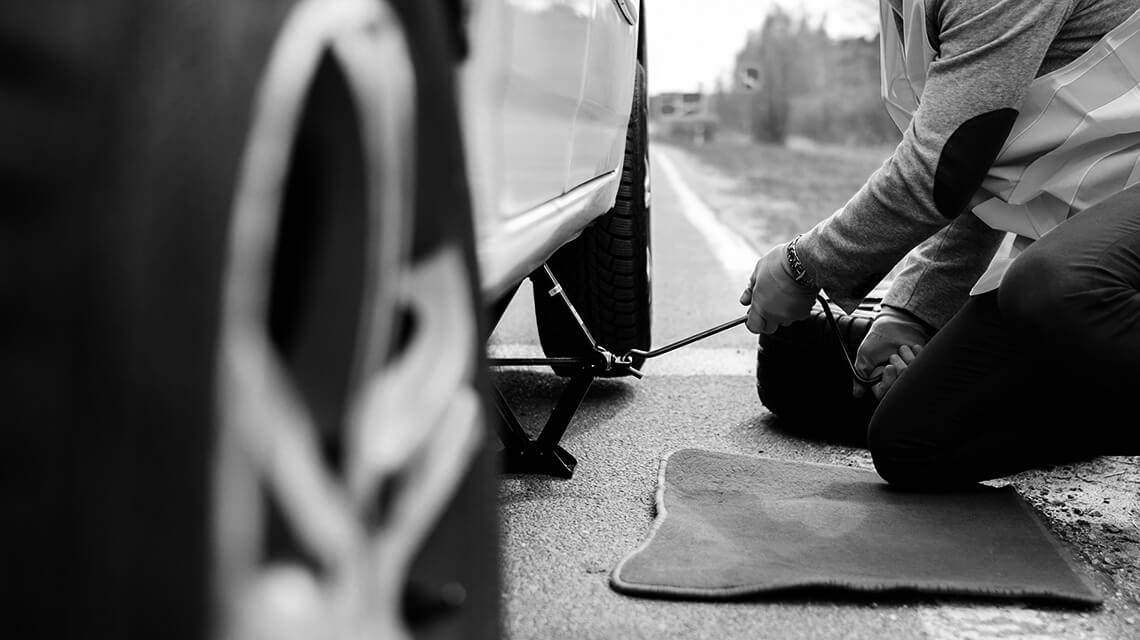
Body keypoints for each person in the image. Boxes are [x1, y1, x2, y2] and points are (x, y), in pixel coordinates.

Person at [741, 0, 1140, 489]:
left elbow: (944, 167)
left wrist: (804, 265)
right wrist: (911, 314)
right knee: (911, 440)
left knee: (1053, 286)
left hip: (1087, 256)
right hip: (1095, 225)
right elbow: (982, 164)